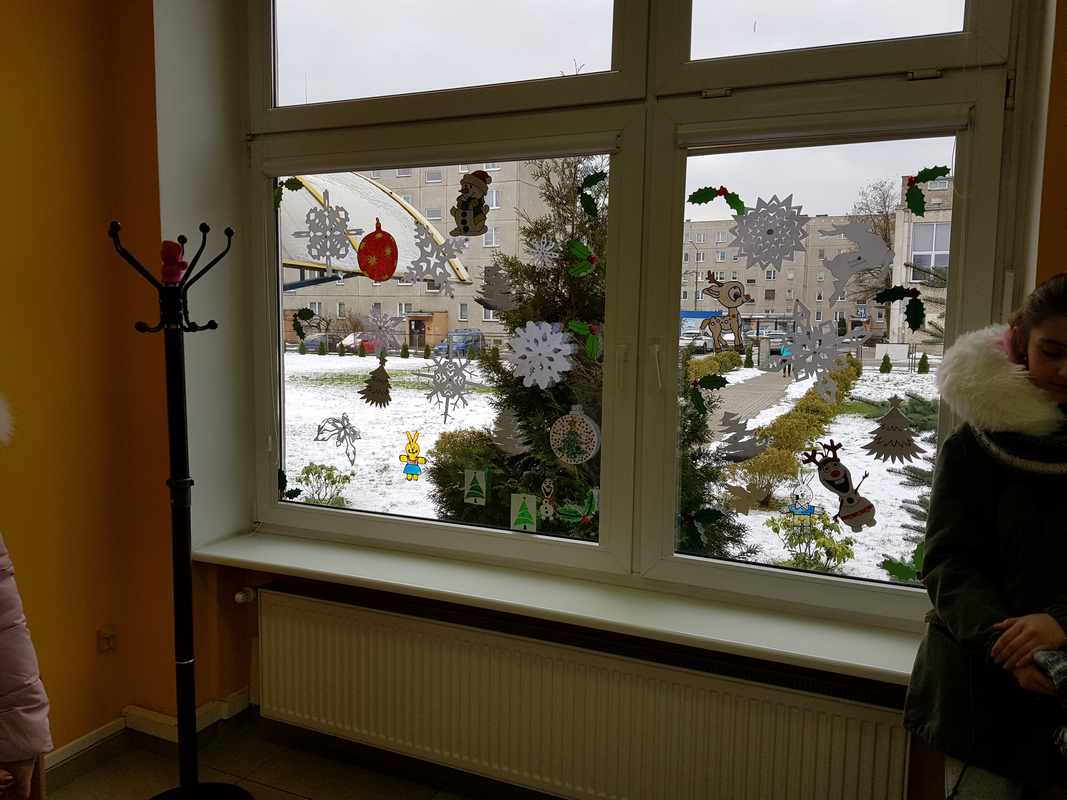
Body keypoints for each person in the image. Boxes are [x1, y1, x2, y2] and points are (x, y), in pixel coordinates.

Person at [904, 273, 1067, 798]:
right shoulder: (975, 447)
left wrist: (1060, 623)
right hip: (985, 696)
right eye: (1052, 351)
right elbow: (948, 562)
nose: (1066, 371)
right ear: (1021, 345)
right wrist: (1011, 647)